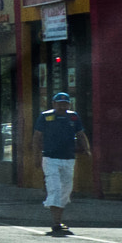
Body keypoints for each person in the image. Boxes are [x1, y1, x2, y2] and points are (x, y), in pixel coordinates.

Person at [35, 91, 91, 235]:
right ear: (54, 104)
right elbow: (37, 137)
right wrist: (36, 156)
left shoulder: (73, 116)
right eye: (59, 104)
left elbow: (80, 134)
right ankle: (55, 222)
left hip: (68, 158)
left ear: (69, 104)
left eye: (65, 103)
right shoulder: (46, 117)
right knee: (55, 188)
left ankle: (59, 221)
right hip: (50, 158)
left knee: (66, 189)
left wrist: (87, 149)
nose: (62, 106)